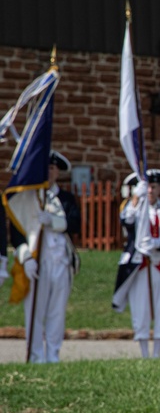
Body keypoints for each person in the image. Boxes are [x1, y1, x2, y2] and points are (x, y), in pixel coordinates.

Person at [11, 151, 80, 363]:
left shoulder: (65, 198)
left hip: (60, 261)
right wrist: (25, 258)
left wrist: (52, 221)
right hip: (36, 261)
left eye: (52, 168)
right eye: (45, 168)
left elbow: (75, 224)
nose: (49, 172)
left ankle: (53, 354)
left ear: (57, 172)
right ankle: (35, 355)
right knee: (35, 311)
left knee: (56, 312)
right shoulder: (28, 198)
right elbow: (16, 232)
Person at [112, 170, 160, 359]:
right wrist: (136, 197)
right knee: (140, 306)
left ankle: (158, 352)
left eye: (154, 186)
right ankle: (144, 353)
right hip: (140, 264)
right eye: (147, 187)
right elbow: (126, 222)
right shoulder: (132, 207)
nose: (151, 190)